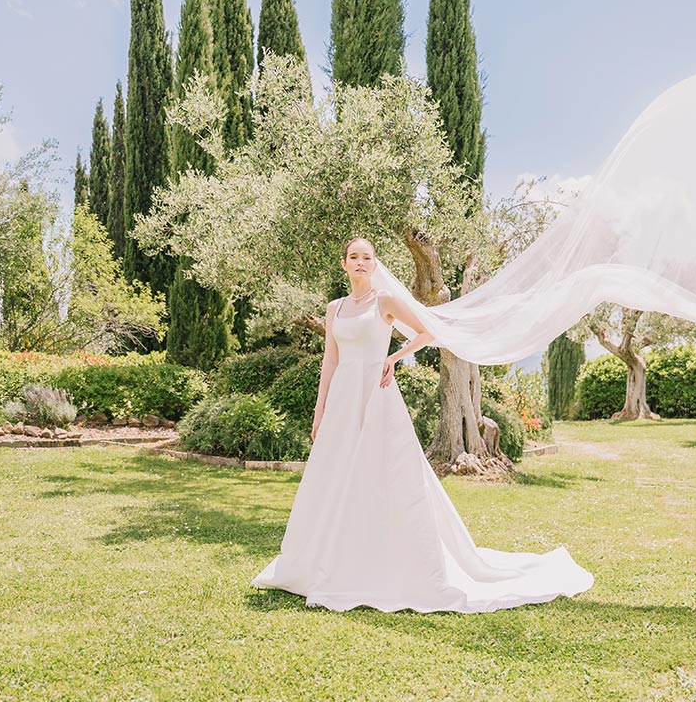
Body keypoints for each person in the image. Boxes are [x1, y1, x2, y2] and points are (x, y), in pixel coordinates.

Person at [251, 237, 595, 613]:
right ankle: (327, 561)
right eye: (354, 257)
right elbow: (330, 361)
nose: (361, 263)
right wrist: (320, 410)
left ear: (375, 263)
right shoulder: (335, 308)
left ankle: (383, 564)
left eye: (367, 257)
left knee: (384, 476)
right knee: (336, 476)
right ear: (344, 264)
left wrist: (395, 357)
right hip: (342, 403)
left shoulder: (385, 301)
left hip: (377, 397)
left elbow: (430, 331)